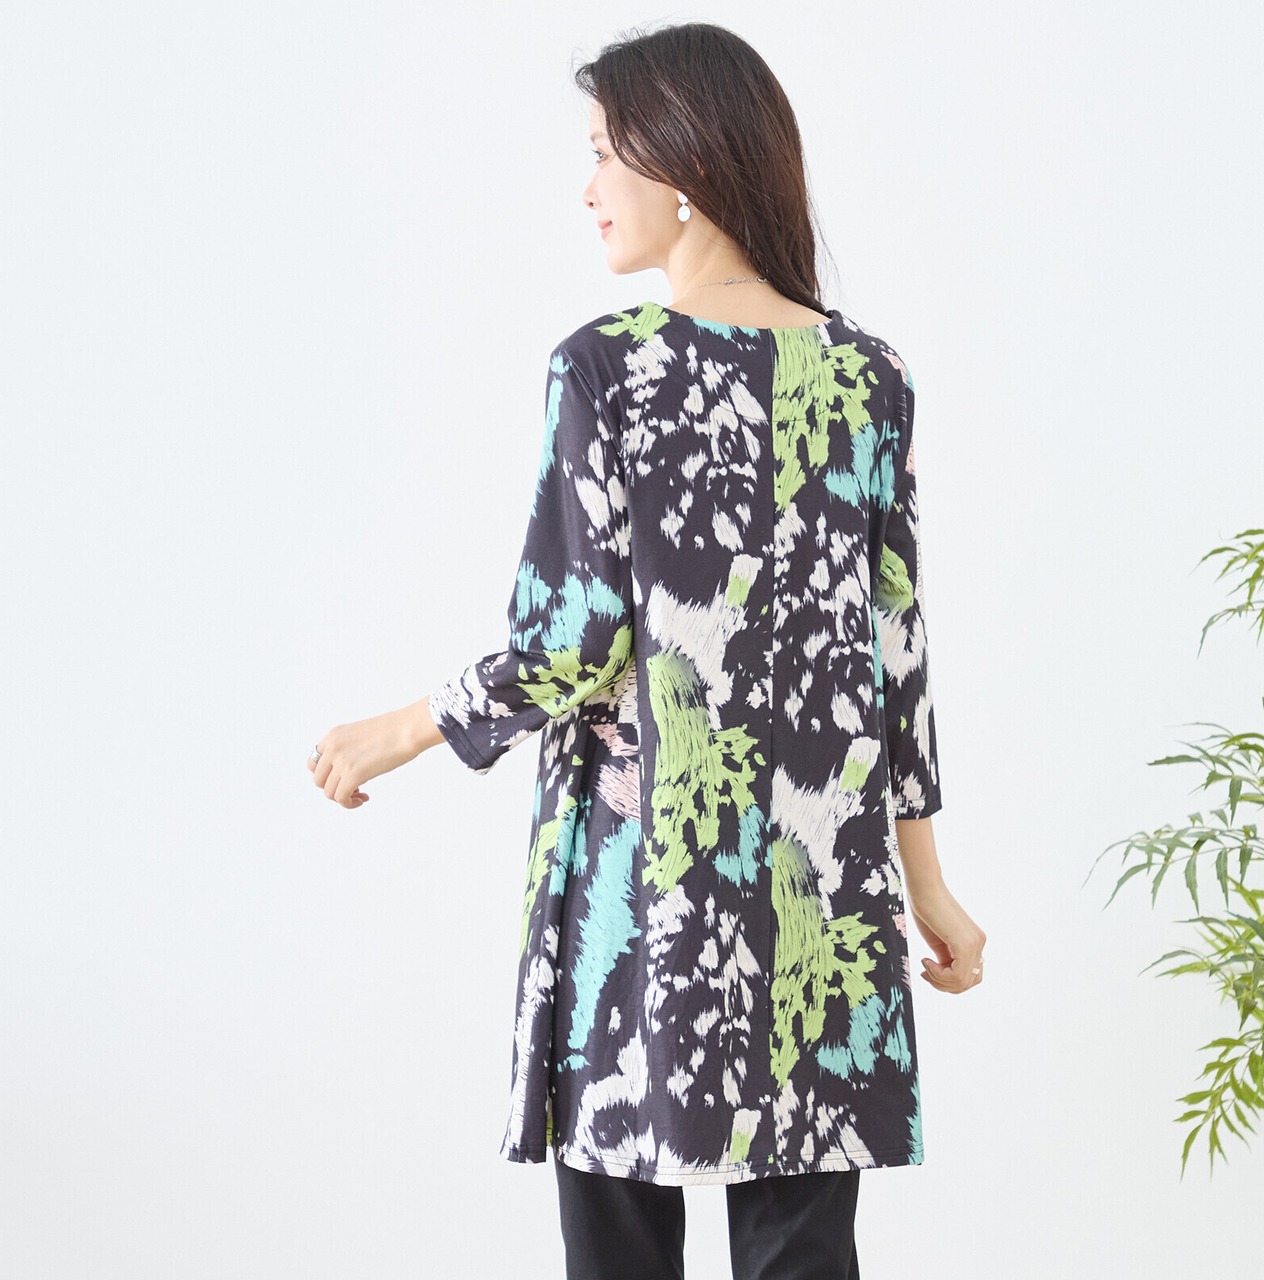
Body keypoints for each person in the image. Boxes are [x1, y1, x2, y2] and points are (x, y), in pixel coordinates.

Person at [307, 19, 986, 1280]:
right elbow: (895, 657)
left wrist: (399, 729)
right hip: (819, 889)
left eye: (602, 153)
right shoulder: (870, 377)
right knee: (802, 1253)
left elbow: (571, 638)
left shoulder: (606, 369)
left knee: (617, 1244)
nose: (587, 187)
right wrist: (924, 885)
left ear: (685, 164)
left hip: (643, 884)